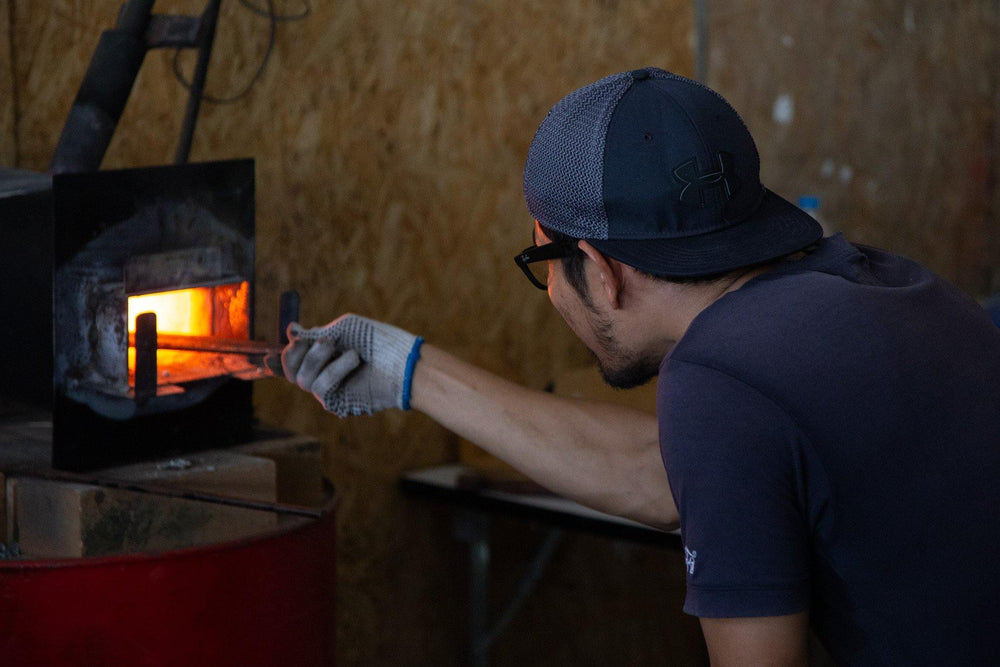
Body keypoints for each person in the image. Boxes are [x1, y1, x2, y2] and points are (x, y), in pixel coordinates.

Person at [281, 68, 1000, 665]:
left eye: (546, 265)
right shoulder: (880, 284)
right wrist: (410, 369)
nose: (555, 294)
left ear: (598, 267)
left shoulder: (720, 385)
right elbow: (666, 476)